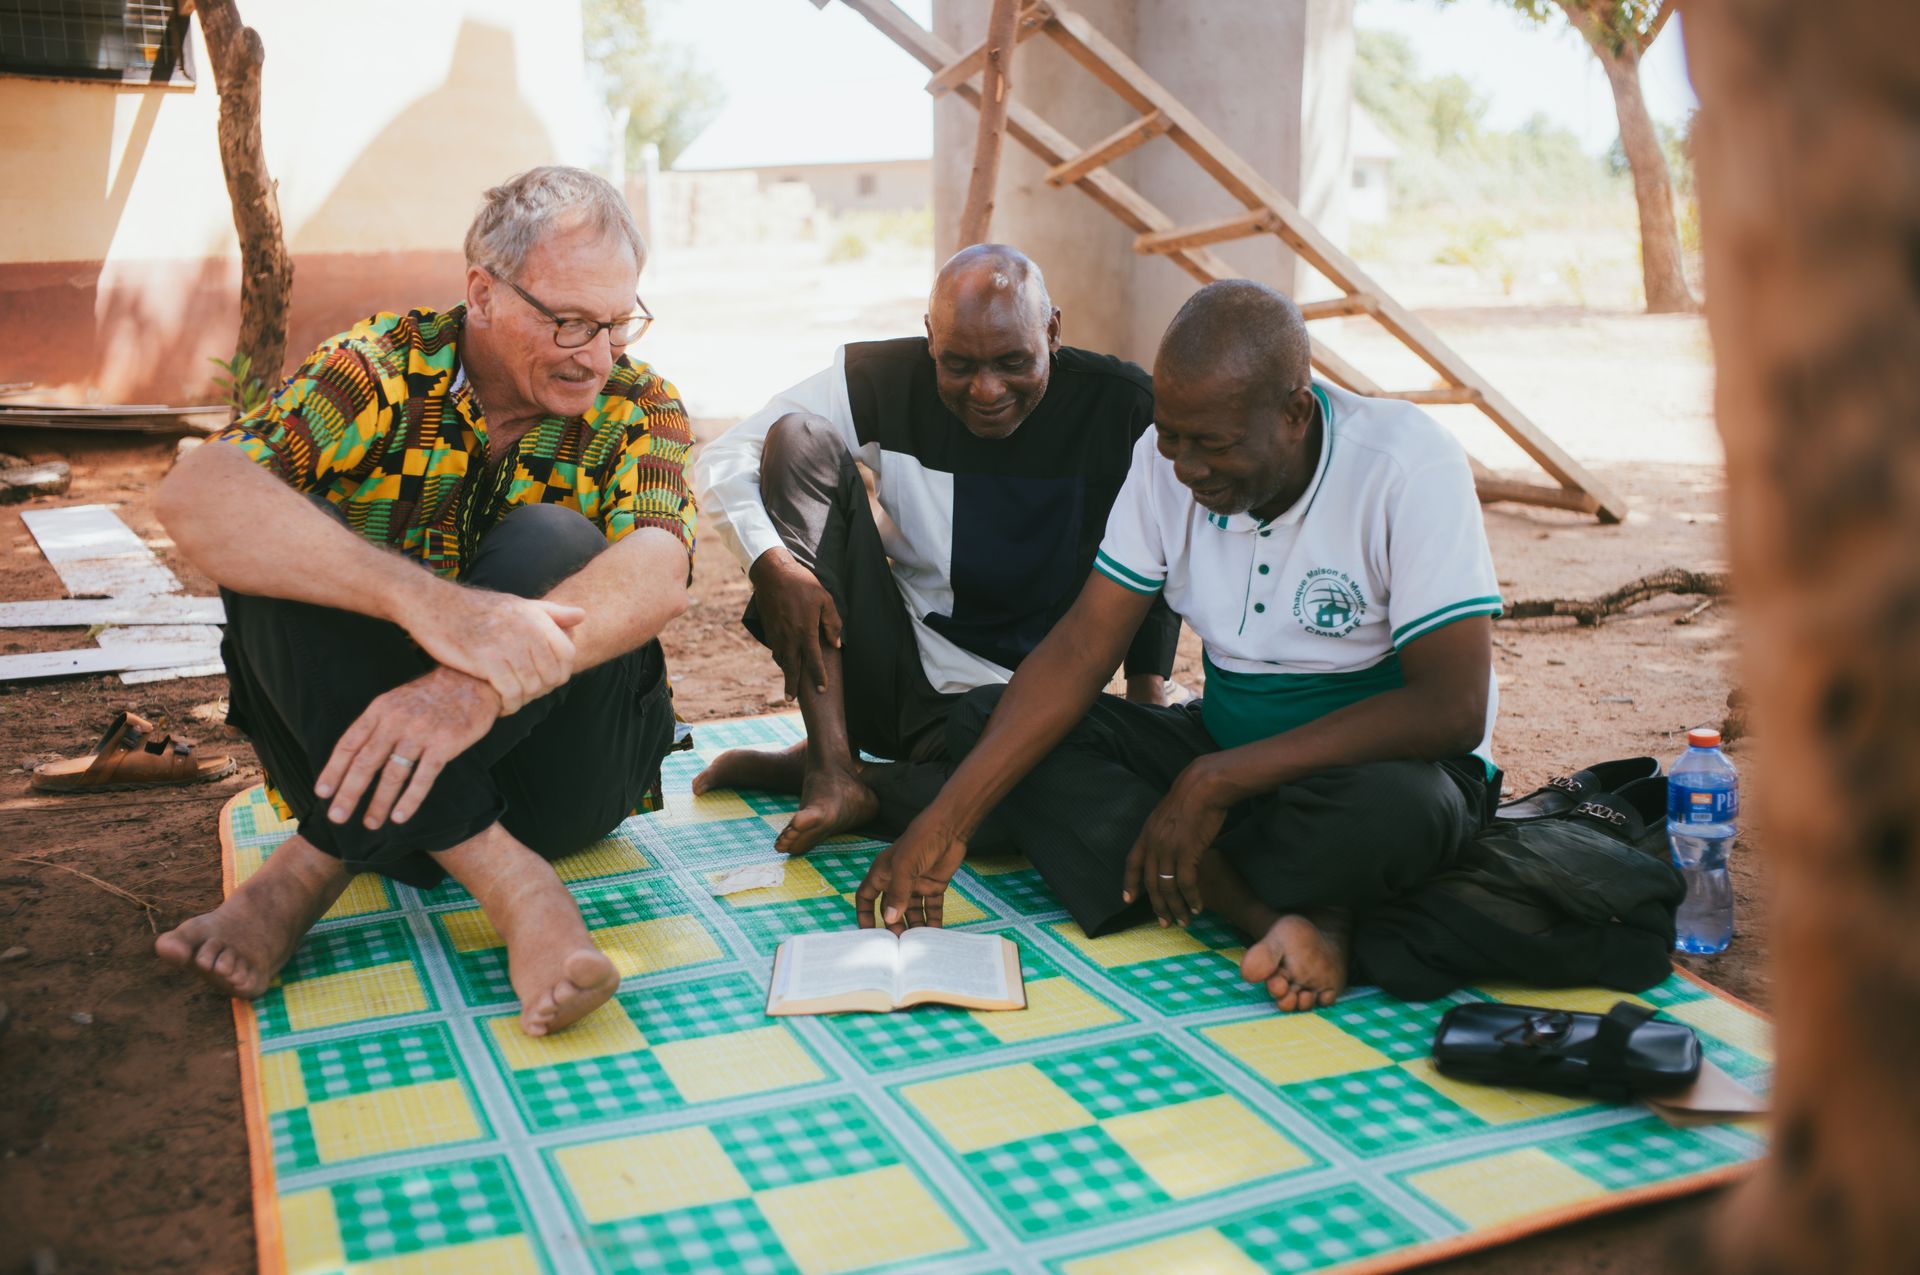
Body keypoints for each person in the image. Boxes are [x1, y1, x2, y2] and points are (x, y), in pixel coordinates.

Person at [856, 279, 1503, 1012]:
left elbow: (1453, 709)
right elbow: (1079, 651)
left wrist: (1214, 782)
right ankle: (1272, 911)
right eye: (1172, 435)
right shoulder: (1161, 462)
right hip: (1224, 748)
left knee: (1397, 813)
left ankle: (1200, 871)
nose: (1187, 467)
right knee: (988, 720)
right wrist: (945, 823)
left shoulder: (1405, 465)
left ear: (1296, 411)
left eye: (1214, 444)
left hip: (1373, 775)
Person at [153, 167, 695, 1037]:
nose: (595, 353)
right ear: (482, 292)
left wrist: (467, 686)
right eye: (568, 321)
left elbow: (660, 568)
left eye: (616, 321)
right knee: (279, 532)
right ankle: (515, 887)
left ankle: (305, 870)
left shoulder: (639, 403)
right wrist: (426, 608)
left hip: (561, 788)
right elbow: (197, 491)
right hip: (352, 757)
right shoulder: (379, 368)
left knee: (553, 540)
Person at [692, 244, 1179, 854]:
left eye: (1012, 361)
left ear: (1052, 331)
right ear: (929, 338)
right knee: (796, 439)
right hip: (884, 671)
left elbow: (1157, 544)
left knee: (1030, 810)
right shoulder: (879, 379)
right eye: (958, 364)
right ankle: (831, 759)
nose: (986, 389)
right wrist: (773, 564)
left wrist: (1145, 700)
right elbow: (725, 456)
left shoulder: (1122, 406)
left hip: (1018, 709)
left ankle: (847, 780)